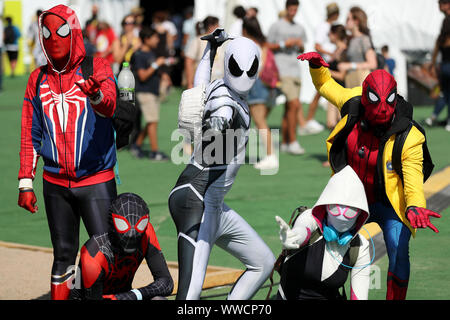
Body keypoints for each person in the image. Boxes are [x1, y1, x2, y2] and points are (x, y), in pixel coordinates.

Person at [298, 51, 442, 300]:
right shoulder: (351, 102)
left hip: (390, 203)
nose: (383, 109)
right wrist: (317, 67)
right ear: (365, 98)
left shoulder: (410, 136)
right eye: (375, 100)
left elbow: (412, 178)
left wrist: (415, 206)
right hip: (351, 200)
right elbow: (325, 84)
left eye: (389, 101)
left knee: (398, 250)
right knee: (327, 242)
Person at [17, 5, 118, 300]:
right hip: (55, 184)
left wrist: (96, 94)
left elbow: (109, 105)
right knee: (62, 256)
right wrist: (25, 182)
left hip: (96, 180)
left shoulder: (96, 67)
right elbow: (29, 133)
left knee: (107, 254)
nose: (53, 39)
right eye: (46, 33)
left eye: (61, 32)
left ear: (74, 32)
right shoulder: (37, 79)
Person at [168, 30, 275, 300]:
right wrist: (218, 123)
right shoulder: (226, 99)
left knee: (263, 261)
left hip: (209, 204)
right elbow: (222, 112)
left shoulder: (218, 86)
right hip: (199, 201)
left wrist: (210, 51)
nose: (244, 74)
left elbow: (200, 84)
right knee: (189, 296)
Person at [275, 166, 371, 300]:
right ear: (325, 205)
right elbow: (303, 230)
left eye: (350, 211)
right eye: (335, 208)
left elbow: (359, 296)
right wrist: (294, 237)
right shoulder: (310, 218)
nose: (342, 216)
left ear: (360, 213)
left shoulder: (360, 247)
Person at [73, 193, 174, 300]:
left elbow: (167, 282)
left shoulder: (147, 232)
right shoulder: (93, 254)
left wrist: (133, 295)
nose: (131, 234)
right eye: (123, 225)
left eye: (139, 225)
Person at [267, 0, 307, 155]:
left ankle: (284, 142)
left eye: (295, 9)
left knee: (290, 108)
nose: (293, 12)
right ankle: (293, 141)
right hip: (282, 69)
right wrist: (285, 43)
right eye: (291, 9)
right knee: (295, 104)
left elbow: (303, 47)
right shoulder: (276, 26)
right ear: (286, 9)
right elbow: (268, 45)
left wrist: (298, 44)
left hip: (295, 69)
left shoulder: (299, 27)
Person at [298, 2, 340, 137]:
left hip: (331, 63)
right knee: (320, 91)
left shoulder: (330, 26)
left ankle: (311, 120)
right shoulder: (324, 27)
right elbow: (317, 45)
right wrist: (331, 53)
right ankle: (308, 120)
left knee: (324, 92)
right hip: (325, 63)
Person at [243, 17, 279, 171]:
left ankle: (271, 156)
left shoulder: (250, 46)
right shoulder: (262, 45)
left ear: (245, 30)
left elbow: (253, 68)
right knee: (260, 122)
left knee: (260, 123)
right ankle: (270, 155)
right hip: (268, 86)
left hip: (256, 85)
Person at [129, 27, 169, 161]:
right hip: (144, 91)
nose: (157, 40)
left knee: (152, 121)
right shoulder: (139, 55)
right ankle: (154, 152)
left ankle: (137, 145)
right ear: (146, 39)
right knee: (152, 121)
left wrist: (163, 75)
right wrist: (157, 64)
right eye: (155, 37)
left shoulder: (151, 53)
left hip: (153, 91)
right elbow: (143, 75)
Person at [338, 6, 377, 88]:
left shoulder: (364, 39)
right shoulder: (350, 40)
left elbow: (372, 64)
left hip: (361, 80)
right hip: (351, 80)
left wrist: (350, 65)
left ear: (356, 21)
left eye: (348, 19)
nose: (346, 22)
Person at [184, 16, 224, 89]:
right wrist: (190, 83)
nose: (220, 28)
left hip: (219, 83)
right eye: (217, 25)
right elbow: (189, 61)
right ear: (210, 26)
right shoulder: (198, 40)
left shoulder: (220, 41)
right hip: (201, 83)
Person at [429, 10, 450, 131]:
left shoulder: (441, 39)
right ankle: (449, 122)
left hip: (443, 68)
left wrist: (433, 66)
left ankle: (433, 116)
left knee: (444, 94)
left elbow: (435, 55)